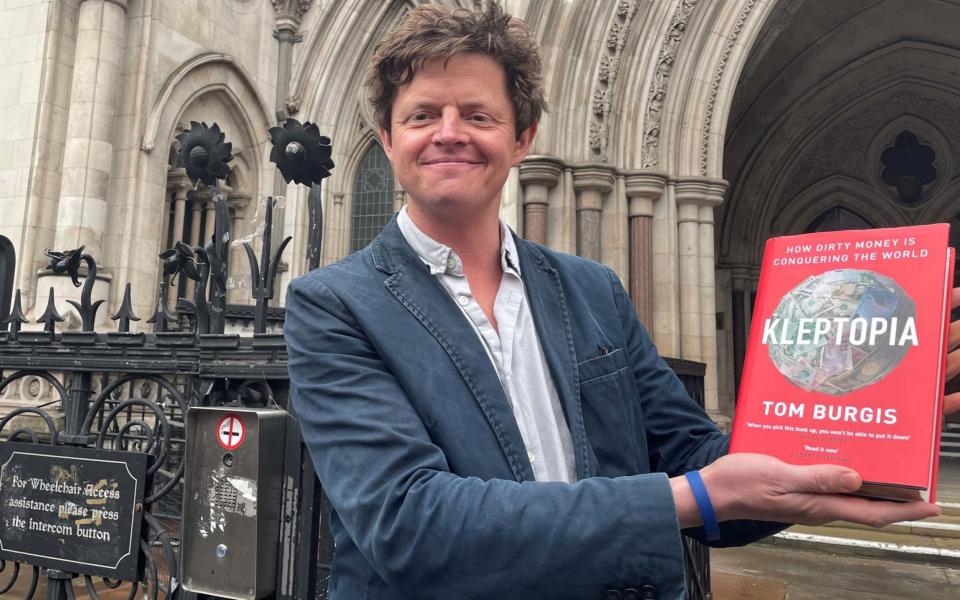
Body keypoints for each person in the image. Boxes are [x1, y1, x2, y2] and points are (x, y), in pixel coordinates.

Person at [284, 4, 957, 599]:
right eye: (423, 114)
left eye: (479, 114)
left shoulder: (590, 288)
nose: (449, 132)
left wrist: (854, 432)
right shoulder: (334, 305)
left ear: (523, 139)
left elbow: (700, 459)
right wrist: (692, 498)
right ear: (387, 138)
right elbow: (409, 526)